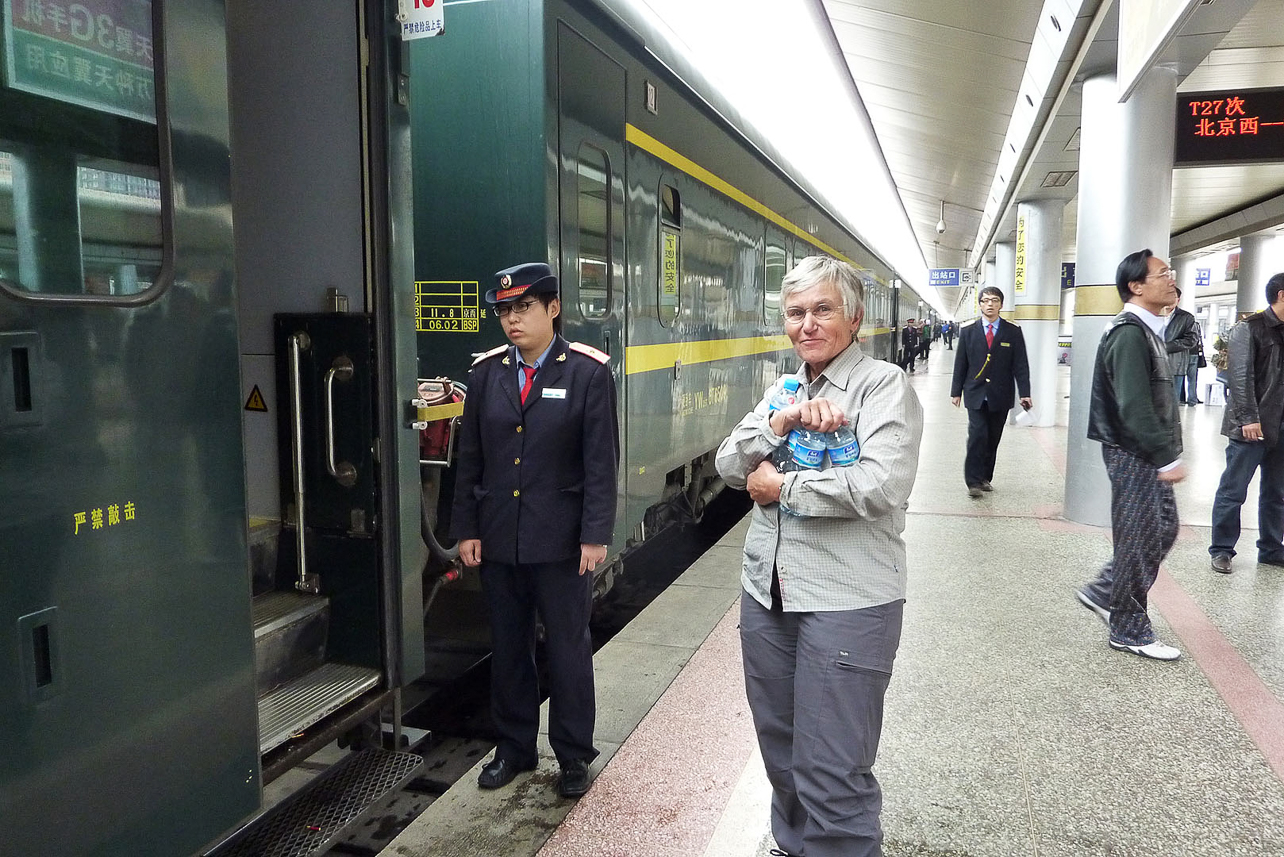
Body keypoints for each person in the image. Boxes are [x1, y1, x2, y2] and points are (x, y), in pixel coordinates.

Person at [715, 256, 923, 857]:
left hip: (848, 598)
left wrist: (784, 490)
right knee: (780, 746)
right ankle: (792, 845)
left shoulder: (883, 385)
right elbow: (730, 465)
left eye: (822, 310)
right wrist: (777, 424)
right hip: (768, 593)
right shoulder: (785, 387)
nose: (807, 324)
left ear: (854, 318)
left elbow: (883, 485)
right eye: (796, 313)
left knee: (833, 765)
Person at [451, 261, 620, 798]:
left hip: (563, 542)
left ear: (553, 308)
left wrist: (595, 535)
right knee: (508, 646)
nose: (511, 319)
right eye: (504, 311)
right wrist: (466, 530)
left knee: (568, 648)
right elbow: (469, 460)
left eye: (523, 308)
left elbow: (600, 464)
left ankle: (573, 755)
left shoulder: (588, 373)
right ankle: (515, 748)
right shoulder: (485, 375)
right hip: (500, 536)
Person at [1075, 249, 1185, 661]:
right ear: (1136, 286)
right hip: (1132, 452)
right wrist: (1165, 457)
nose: (1170, 279)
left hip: (1143, 452)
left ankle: (1106, 591)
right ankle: (1129, 628)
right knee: (1141, 538)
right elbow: (1134, 406)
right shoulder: (1128, 333)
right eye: (1162, 274)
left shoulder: (1146, 330)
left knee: (1161, 530)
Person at [1208, 272, 1284, 574]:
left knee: (1277, 493)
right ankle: (1222, 549)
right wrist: (1249, 419)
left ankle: (1271, 549)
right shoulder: (1249, 328)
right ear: (1281, 295)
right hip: (1252, 427)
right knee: (1234, 489)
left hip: (1282, 427)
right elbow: (1240, 379)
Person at [949, 287, 1032, 497]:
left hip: (1001, 394)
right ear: (980, 304)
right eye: (985, 300)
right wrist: (956, 391)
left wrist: (1025, 392)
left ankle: (985, 477)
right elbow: (961, 363)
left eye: (994, 300)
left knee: (993, 437)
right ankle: (973, 482)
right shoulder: (968, 331)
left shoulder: (1012, 331)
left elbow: (1020, 364)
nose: (990, 304)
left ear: (1001, 305)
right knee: (977, 434)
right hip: (975, 392)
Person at [1163, 287, 1200, 404]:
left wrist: (1166, 346)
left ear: (1178, 300)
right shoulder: (1152, 314)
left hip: (1175, 365)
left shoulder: (1186, 318)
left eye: (1172, 296)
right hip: (1152, 364)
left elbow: (1191, 340)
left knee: (1171, 405)